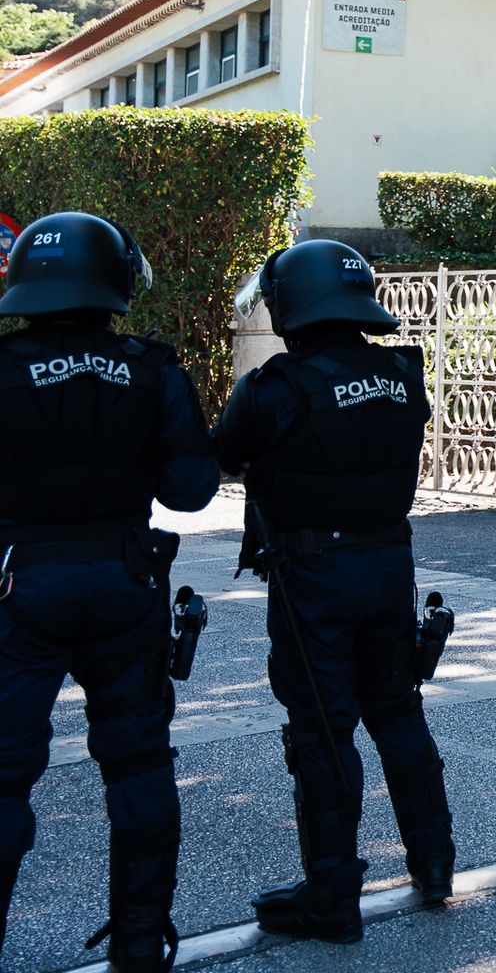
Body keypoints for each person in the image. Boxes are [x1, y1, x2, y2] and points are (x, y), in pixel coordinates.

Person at [211, 240, 454, 943]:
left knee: (322, 730)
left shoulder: (276, 387)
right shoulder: (401, 374)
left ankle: (332, 895)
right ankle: (434, 863)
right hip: (388, 566)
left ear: (293, 304)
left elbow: (216, 459)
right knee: (397, 712)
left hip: (312, 579)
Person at [0, 212, 219, 971]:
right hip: (126, 583)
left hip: (17, 585)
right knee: (140, 766)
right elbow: (192, 490)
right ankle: (138, 942)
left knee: (2, 776)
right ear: (115, 281)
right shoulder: (152, 367)